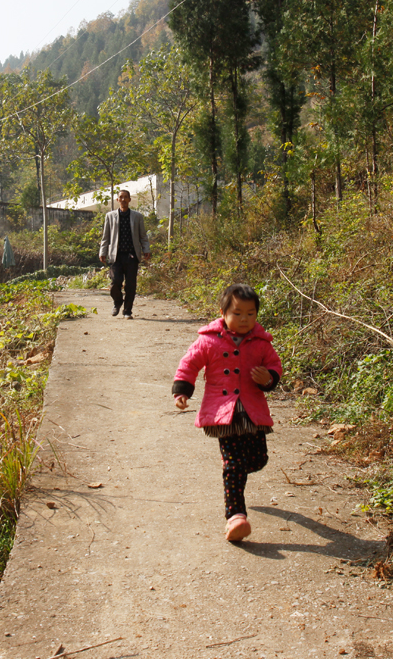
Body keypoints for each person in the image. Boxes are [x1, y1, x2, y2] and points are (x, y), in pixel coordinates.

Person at [172, 283, 283, 542]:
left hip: (252, 411)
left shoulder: (261, 343)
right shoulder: (208, 340)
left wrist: (268, 378)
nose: (244, 319)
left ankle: (239, 476)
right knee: (233, 464)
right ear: (223, 312)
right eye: (237, 313)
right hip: (224, 414)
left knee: (258, 459)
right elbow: (189, 364)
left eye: (250, 314)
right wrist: (182, 391)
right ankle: (235, 516)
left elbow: (274, 365)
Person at [98, 189, 150, 319]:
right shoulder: (110, 216)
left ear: (129, 200)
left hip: (132, 256)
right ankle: (117, 301)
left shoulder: (137, 216)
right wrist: (102, 252)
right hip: (116, 255)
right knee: (115, 282)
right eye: (121, 197)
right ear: (117, 200)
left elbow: (143, 236)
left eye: (126, 197)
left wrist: (146, 249)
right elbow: (106, 237)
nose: (123, 199)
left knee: (130, 285)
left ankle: (127, 311)